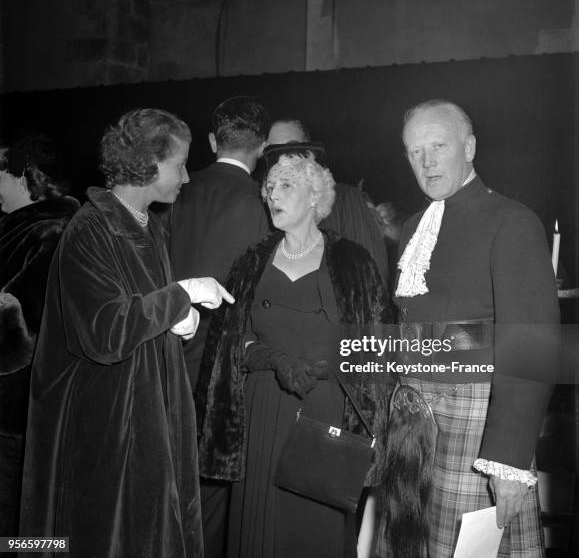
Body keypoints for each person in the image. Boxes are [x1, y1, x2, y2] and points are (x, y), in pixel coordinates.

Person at [20, 109, 233, 558]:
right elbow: (103, 332)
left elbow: (138, 313)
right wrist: (179, 296)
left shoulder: (147, 224)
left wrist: (175, 323)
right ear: (150, 163)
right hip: (106, 433)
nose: (188, 177)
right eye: (180, 164)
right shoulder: (89, 228)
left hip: (147, 421)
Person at [377, 100, 559, 557]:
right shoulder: (415, 225)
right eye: (415, 151)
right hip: (413, 425)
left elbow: (532, 347)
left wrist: (508, 460)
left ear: (470, 147)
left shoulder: (512, 221)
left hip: (477, 427)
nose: (427, 161)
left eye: (438, 146)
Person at [196, 143, 392, 558]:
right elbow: (232, 343)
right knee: (259, 530)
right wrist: (274, 359)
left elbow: (374, 351)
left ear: (315, 196)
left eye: (286, 185)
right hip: (264, 407)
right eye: (269, 187)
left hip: (326, 415)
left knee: (313, 532)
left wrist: (373, 430)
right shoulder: (251, 262)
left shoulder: (352, 262)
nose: (273, 195)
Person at [168, 95, 271, 558]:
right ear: (263, 146)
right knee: (213, 499)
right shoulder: (265, 202)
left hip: (164, 356)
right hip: (224, 375)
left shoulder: (173, 189)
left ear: (212, 141)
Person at [0, 136, 79, 537]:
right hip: (14, 408)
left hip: (20, 408)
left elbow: (23, 329)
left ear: (22, 176)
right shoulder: (19, 227)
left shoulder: (52, 231)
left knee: (19, 521)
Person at [267, 118, 389, 283]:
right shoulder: (268, 205)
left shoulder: (346, 199)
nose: (282, 156)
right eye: (273, 150)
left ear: (310, 151)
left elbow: (375, 275)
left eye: (292, 146)